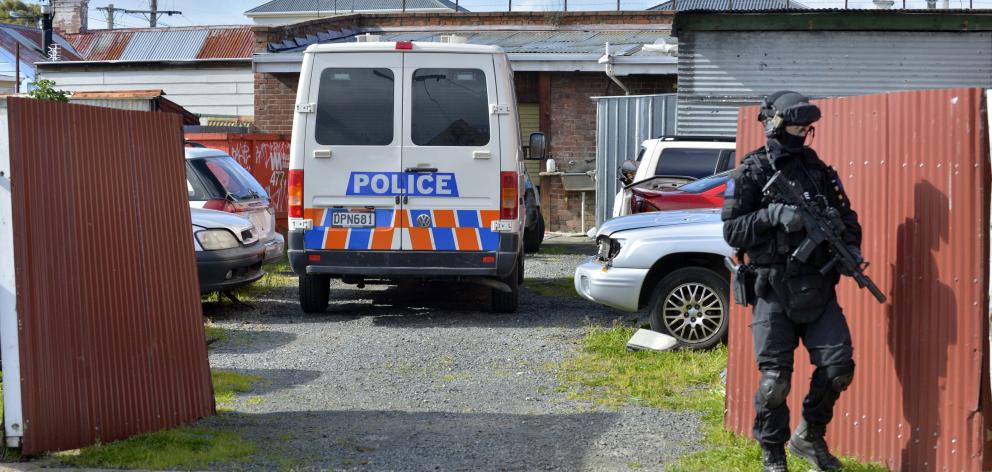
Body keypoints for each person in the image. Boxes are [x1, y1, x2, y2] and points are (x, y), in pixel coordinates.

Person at [721, 91, 861, 472]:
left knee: (839, 369)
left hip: (817, 286)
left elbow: (848, 218)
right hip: (772, 288)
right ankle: (773, 452)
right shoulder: (751, 171)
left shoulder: (819, 171)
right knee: (775, 383)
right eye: (795, 128)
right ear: (774, 125)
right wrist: (771, 216)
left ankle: (809, 436)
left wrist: (851, 249)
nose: (801, 135)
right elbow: (732, 231)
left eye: (807, 129)